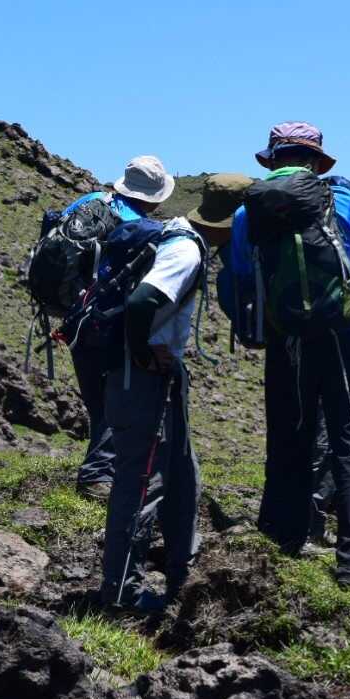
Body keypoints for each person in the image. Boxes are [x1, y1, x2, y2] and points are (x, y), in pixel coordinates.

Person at [237, 123, 350, 586]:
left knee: (289, 438)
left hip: (287, 340)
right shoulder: (342, 201)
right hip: (347, 338)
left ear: (271, 160)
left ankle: (281, 542)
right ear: (317, 162)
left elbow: (242, 275)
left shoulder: (248, 211)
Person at [98, 174, 246, 613]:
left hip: (159, 375)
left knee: (181, 474)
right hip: (142, 378)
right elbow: (143, 302)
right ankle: (121, 594)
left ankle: (184, 574)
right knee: (142, 482)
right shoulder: (186, 251)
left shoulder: (179, 236)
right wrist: (144, 352)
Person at [58, 156, 175, 498]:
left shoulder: (90, 202)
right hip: (108, 325)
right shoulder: (141, 228)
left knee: (97, 401)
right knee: (114, 401)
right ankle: (97, 477)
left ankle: (102, 470)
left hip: (75, 318)